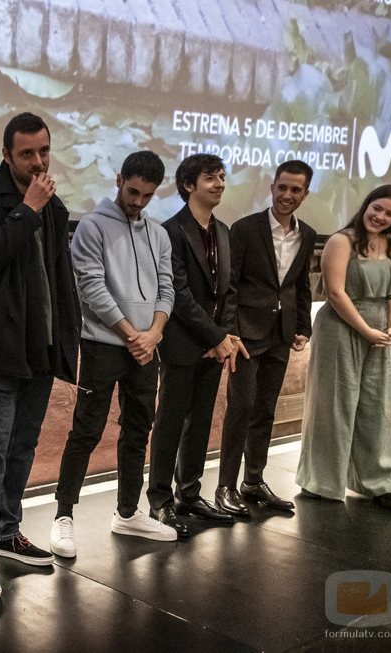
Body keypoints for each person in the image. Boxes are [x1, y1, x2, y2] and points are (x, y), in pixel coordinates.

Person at [0, 112, 81, 599]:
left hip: (42, 345)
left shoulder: (54, 205)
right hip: (1, 345)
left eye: (44, 151)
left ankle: (8, 531)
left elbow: (58, 279)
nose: (38, 162)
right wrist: (27, 208)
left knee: (23, 446)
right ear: (6, 154)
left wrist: (68, 338)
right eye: (27, 153)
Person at [50, 151, 177, 556]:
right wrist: (132, 334)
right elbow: (91, 286)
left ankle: (127, 512)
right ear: (120, 180)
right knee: (86, 430)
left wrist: (153, 334)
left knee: (138, 430)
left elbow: (167, 288)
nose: (138, 201)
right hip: (103, 346)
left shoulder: (158, 234)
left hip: (146, 348)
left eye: (147, 195)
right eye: (133, 191)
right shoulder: (92, 225)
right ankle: (63, 515)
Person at [147, 153, 246, 538]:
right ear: (189, 185)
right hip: (182, 342)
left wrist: (226, 335)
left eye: (222, 177)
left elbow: (229, 289)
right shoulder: (171, 230)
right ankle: (160, 500)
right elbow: (179, 292)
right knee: (170, 421)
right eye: (210, 178)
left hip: (213, 344)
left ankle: (189, 493)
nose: (219, 184)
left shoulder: (223, 230)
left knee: (201, 420)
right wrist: (215, 337)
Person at [296, 185, 391, 510]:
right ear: (367, 205)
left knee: (377, 405)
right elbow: (335, 293)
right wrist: (366, 330)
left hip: (379, 332)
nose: (381, 217)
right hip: (341, 328)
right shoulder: (341, 240)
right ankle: (322, 481)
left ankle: (381, 482)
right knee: (334, 404)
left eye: (390, 214)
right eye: (378, 208)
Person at [215, 160, 317, 516]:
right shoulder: (245, 228)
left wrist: (303, 326)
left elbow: (301, 285)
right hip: (245, 335)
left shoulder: (307, 234)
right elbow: (229, 284)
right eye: (282, 187)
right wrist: (230, 331)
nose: (287, 195)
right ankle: (225, 486)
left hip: (280, 334)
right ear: (272, 187)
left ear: (305, 193)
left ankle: (253, 481)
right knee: (241, 408)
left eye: (296, 190)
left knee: (265, 410)